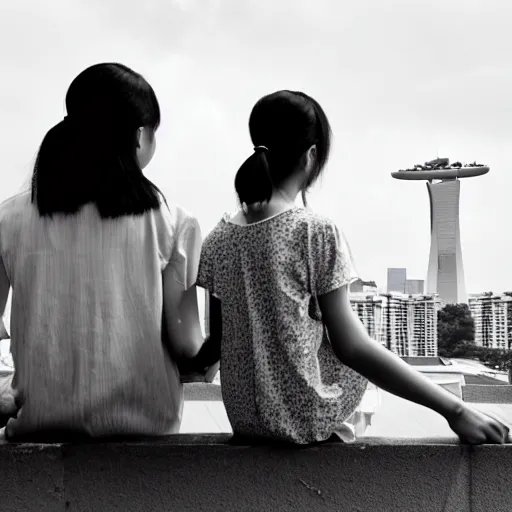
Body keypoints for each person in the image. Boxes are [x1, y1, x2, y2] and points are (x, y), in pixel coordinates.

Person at [191, 90, 509, 445]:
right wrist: (457, 410)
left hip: (245, 421)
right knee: (363, 362)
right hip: (302, 421)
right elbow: (352, 347)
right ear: (311, 156)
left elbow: (217, 342)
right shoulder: (313, 231)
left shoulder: (218, 237)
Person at [0, 63, 204, 440]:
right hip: (146, 434)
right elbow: (188, 344)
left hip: (39, 430)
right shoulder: (174, 222)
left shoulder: (8, 218)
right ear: (140, 135)